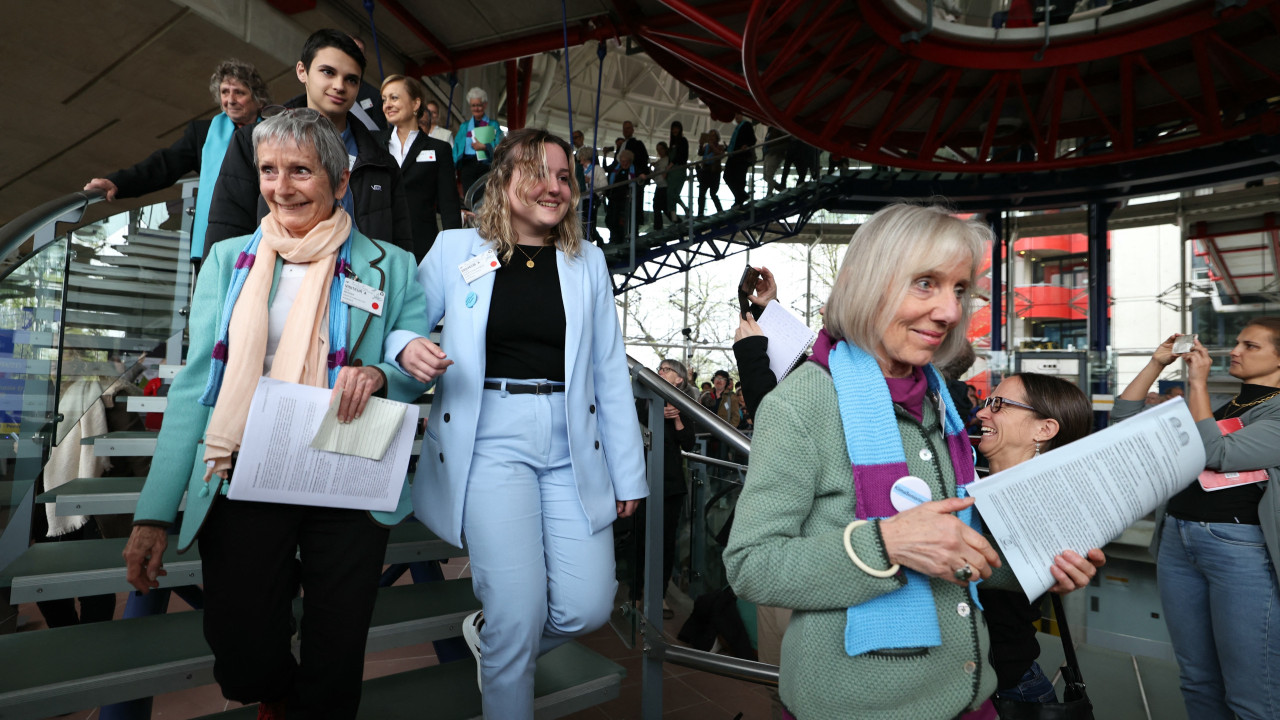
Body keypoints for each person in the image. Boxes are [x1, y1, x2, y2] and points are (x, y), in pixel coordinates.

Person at [723, 203, 1103, 720]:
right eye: (925, 283)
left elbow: (954, 550)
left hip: (969, 698)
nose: (949, 311)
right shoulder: (802, 404)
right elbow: (751, 566)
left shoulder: (940, 400)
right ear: (863, 283)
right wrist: (889, 544)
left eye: (960, 289)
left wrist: (1037, 567)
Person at [121, 110, 428, 719]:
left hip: (345, 469)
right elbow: (195, 386)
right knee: (244, 649)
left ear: (340, 183)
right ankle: (278, 692)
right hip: (244, 467)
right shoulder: (228, 260)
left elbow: (410, 363)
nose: (280, 187)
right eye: (268, 170)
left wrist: (381, 374)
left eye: (300, 171)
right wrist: (154, 514)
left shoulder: (391, 266)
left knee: (337, 651)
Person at [387, 127, 648, 719]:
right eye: (537, 172)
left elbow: (609, 372)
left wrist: (628, 474)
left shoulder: (587, 262)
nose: (552, 187)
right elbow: (401, 321)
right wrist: (407, 347)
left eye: (563, 176)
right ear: (504, 182)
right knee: (517, 611)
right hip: (489, 439)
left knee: (586, 606)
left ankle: (499, 641)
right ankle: (506, 646)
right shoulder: (458, 249)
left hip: (571, 444)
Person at [1115, 324, 1280, 720]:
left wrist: (1198, 384)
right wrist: (1156, 364)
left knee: (1251, 694)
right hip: (1178, 538)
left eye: (1249, 345)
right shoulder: (1225, 408)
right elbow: (1125, 419)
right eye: (1237, 341)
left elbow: (1216, 454)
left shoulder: (1270, 410)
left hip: (1240, 550)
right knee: (1196, 679)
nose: (1235, 350)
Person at [205, 29, 411, 256]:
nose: (339, 85)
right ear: (302, 71)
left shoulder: (381, 161)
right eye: (328, 72)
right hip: (273, 283)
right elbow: (226, 230)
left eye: (351, 79)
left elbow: (400, 248)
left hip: (360, 284)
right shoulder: (253, 141)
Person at [973, 373, 1094, 705]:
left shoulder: (1047, 506)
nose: (982, 413)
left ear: (1044, 429)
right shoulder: (971, 483)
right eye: (986, 403)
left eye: (999, 405)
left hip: (1007, 688)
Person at [84, 59, 269, 262]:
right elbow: (164, 165)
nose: (230, 100)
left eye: (239, 92)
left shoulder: (273, 134)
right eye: (225, 92)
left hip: (259, 239)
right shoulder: (203, 133)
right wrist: (117, 182)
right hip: (211, 242)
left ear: (259, 100)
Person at [379, 74, 461, 262]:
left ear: (416, 104)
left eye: (394, 98)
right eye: (384, 99)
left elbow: (449, 206)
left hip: (422, 248)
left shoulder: (439, 149)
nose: (387, 105)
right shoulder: (373, 144)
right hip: (377, 246)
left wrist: (453, 251)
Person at [453, 87, 504, 197]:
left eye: (479, 105)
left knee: (484, 198)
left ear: (485, 105)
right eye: (473, 105)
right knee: (469, 197)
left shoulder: (493, 125)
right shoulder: (464, 126)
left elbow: (500, 145)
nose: (476, 108)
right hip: (467, 167)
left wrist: (485, 147)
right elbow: (456, 147)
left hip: (485, 166)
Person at [723, 112, 756, 206]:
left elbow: (752, 140)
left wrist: (746, 145)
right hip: (734, 155)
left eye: (738, 114)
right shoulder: (738, 127)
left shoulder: (746, 125)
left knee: (737, 178)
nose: (736, 117)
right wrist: (727, 148)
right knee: (729, 177)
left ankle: (739, 199)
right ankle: (740, 196)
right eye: (736, 115)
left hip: (740, 156)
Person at [697, 129, 725, 216]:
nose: (711, 137)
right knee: (702, 194)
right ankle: (700, 213)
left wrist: (712, 146)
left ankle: (719, 210)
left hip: (714, 172)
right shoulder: (706, 147)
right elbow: (700, 153)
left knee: (713, 193)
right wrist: (701, 145)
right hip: (705, 171)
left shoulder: (720, 147)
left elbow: (719, 155)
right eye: (710, 135)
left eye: (713, 136)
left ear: (717, 137)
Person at [666, 121, 689, 221]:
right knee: (671, 194)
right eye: (673, 128)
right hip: (672, 172)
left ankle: (681, 212)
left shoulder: (683, 141)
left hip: (678, 170)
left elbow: (681, 156)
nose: (675, 130)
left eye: (676, 128)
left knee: (671, 193)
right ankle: (675, 216)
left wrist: (669, 166)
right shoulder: (672, 143)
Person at [652, 141, 671, 231]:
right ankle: (675, 221)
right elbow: (655, 175)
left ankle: (658, 227)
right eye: (658, 150)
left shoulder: (667, 160)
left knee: (659, 206)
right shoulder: (660, 161)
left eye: (661, 149)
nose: (659, 151)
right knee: (661, 206)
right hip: (659, 185)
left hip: (664, 186)